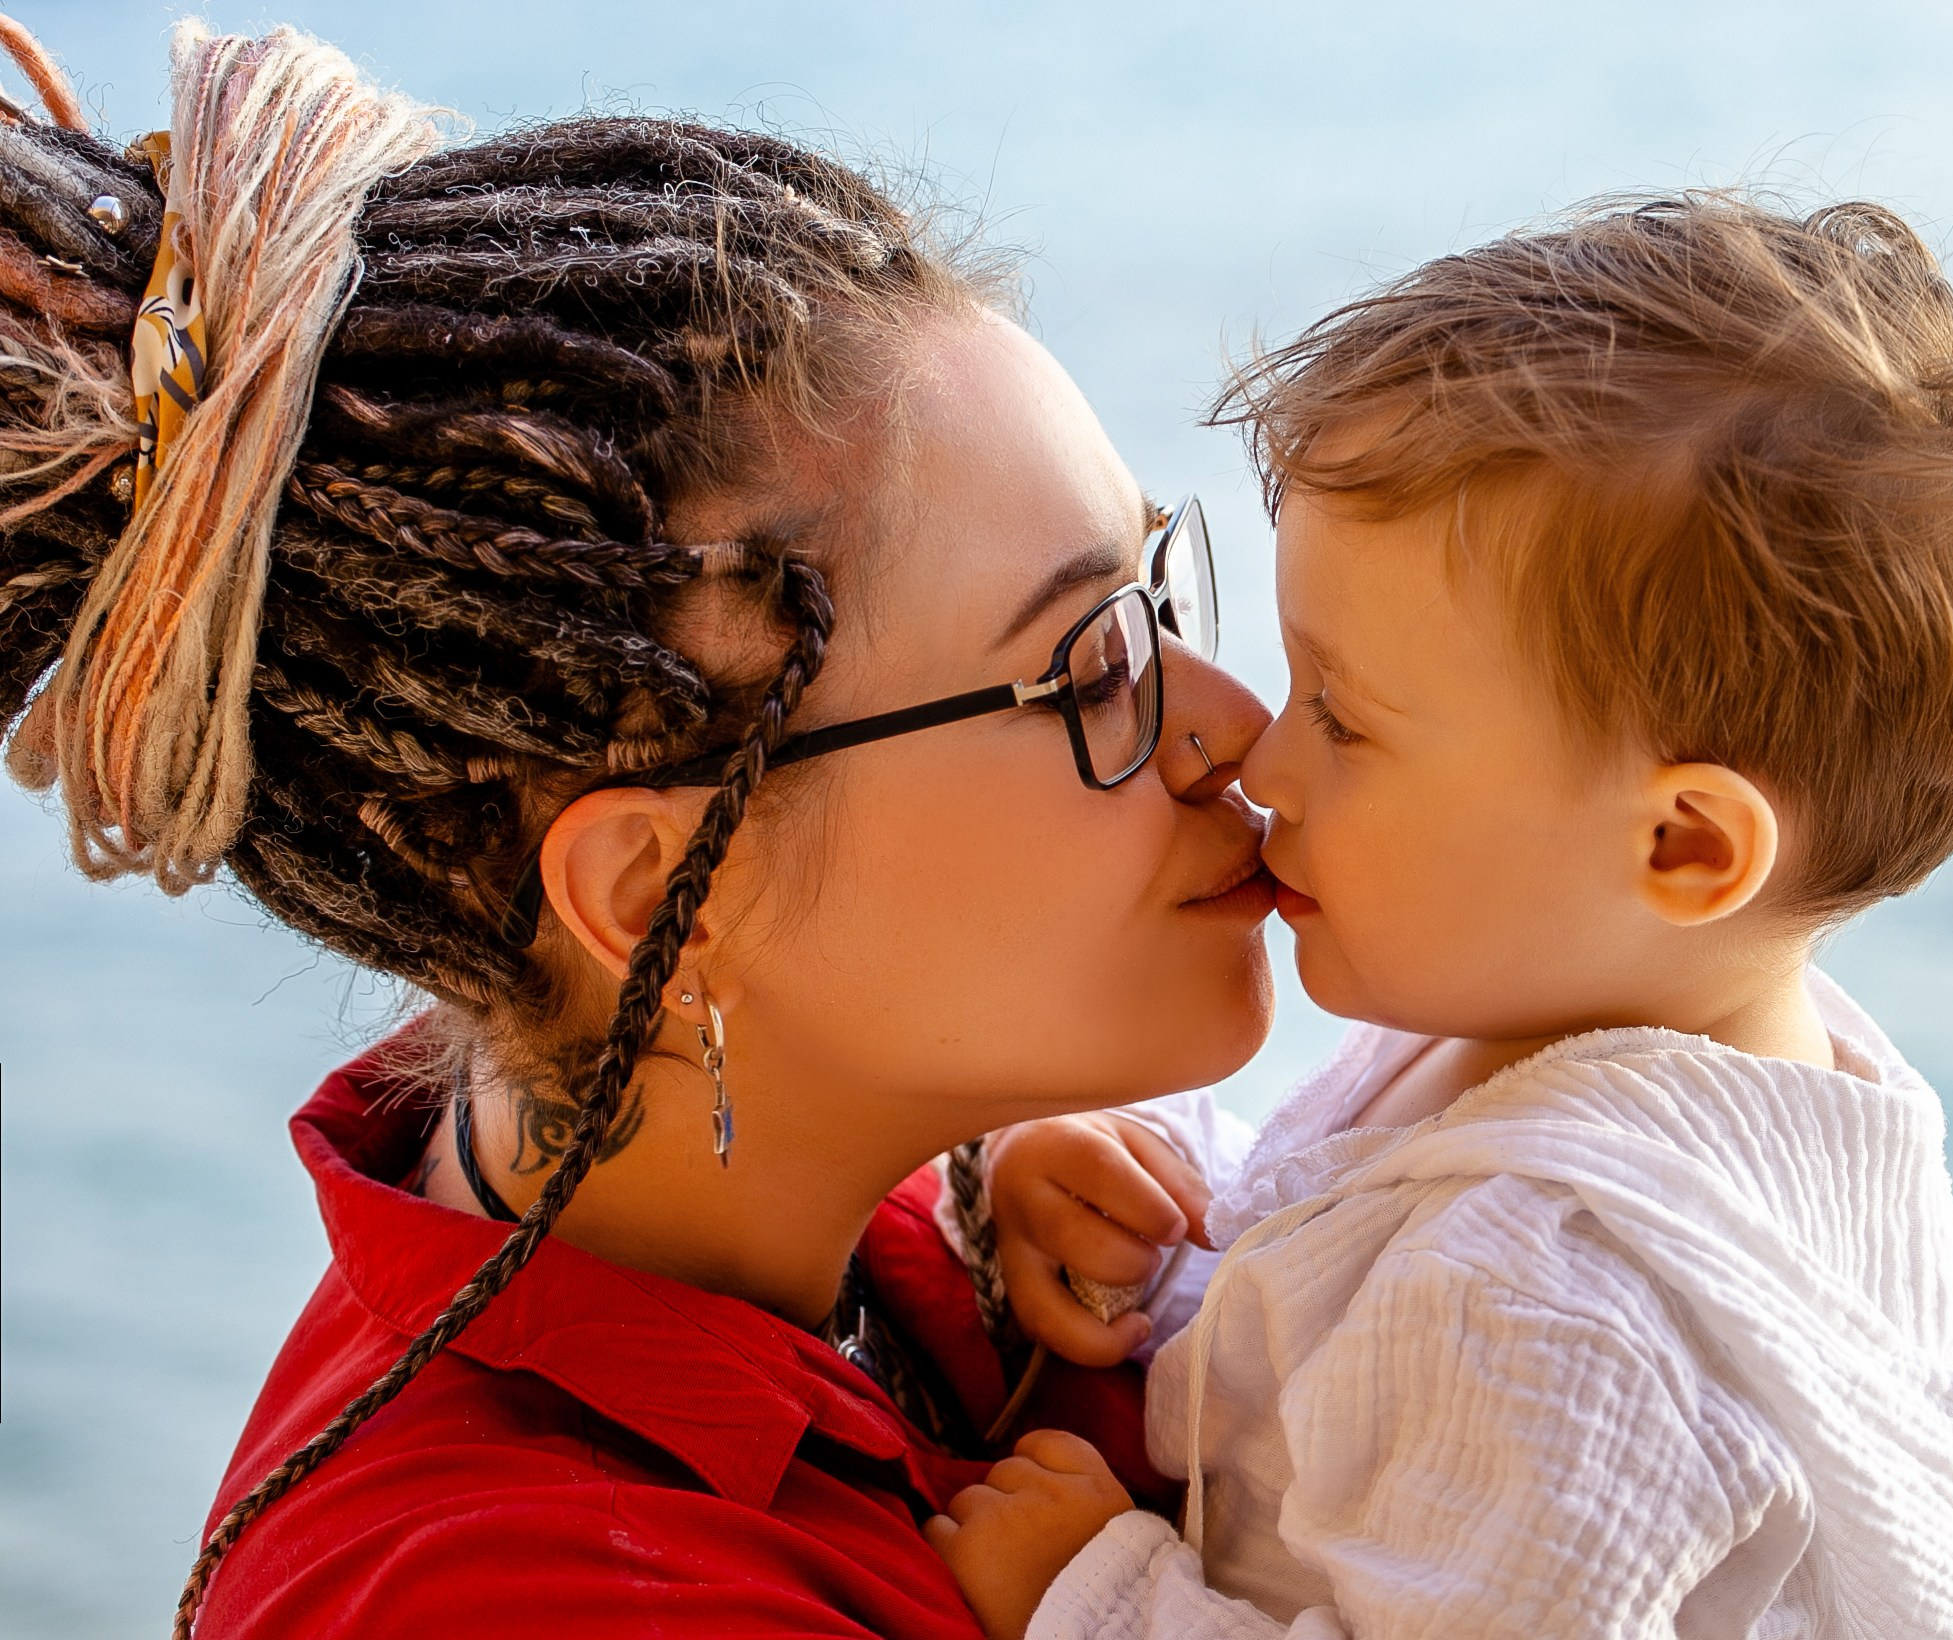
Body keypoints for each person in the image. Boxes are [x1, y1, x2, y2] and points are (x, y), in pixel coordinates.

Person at [0, 18, 1276, 1638]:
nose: (1232, 721)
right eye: (1091, 662)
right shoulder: (532, 1599)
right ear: (667, 890)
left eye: (1155, 585)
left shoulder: (883, 1198)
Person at [935, 194, 1953, 1638]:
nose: (1263, 754)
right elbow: (1358, 1225)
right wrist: (1155, 1198)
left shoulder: (1559, 1312)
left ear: (1680, 845)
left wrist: (1098, 1601)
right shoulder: (1700, 1059)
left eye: (1345, 717)